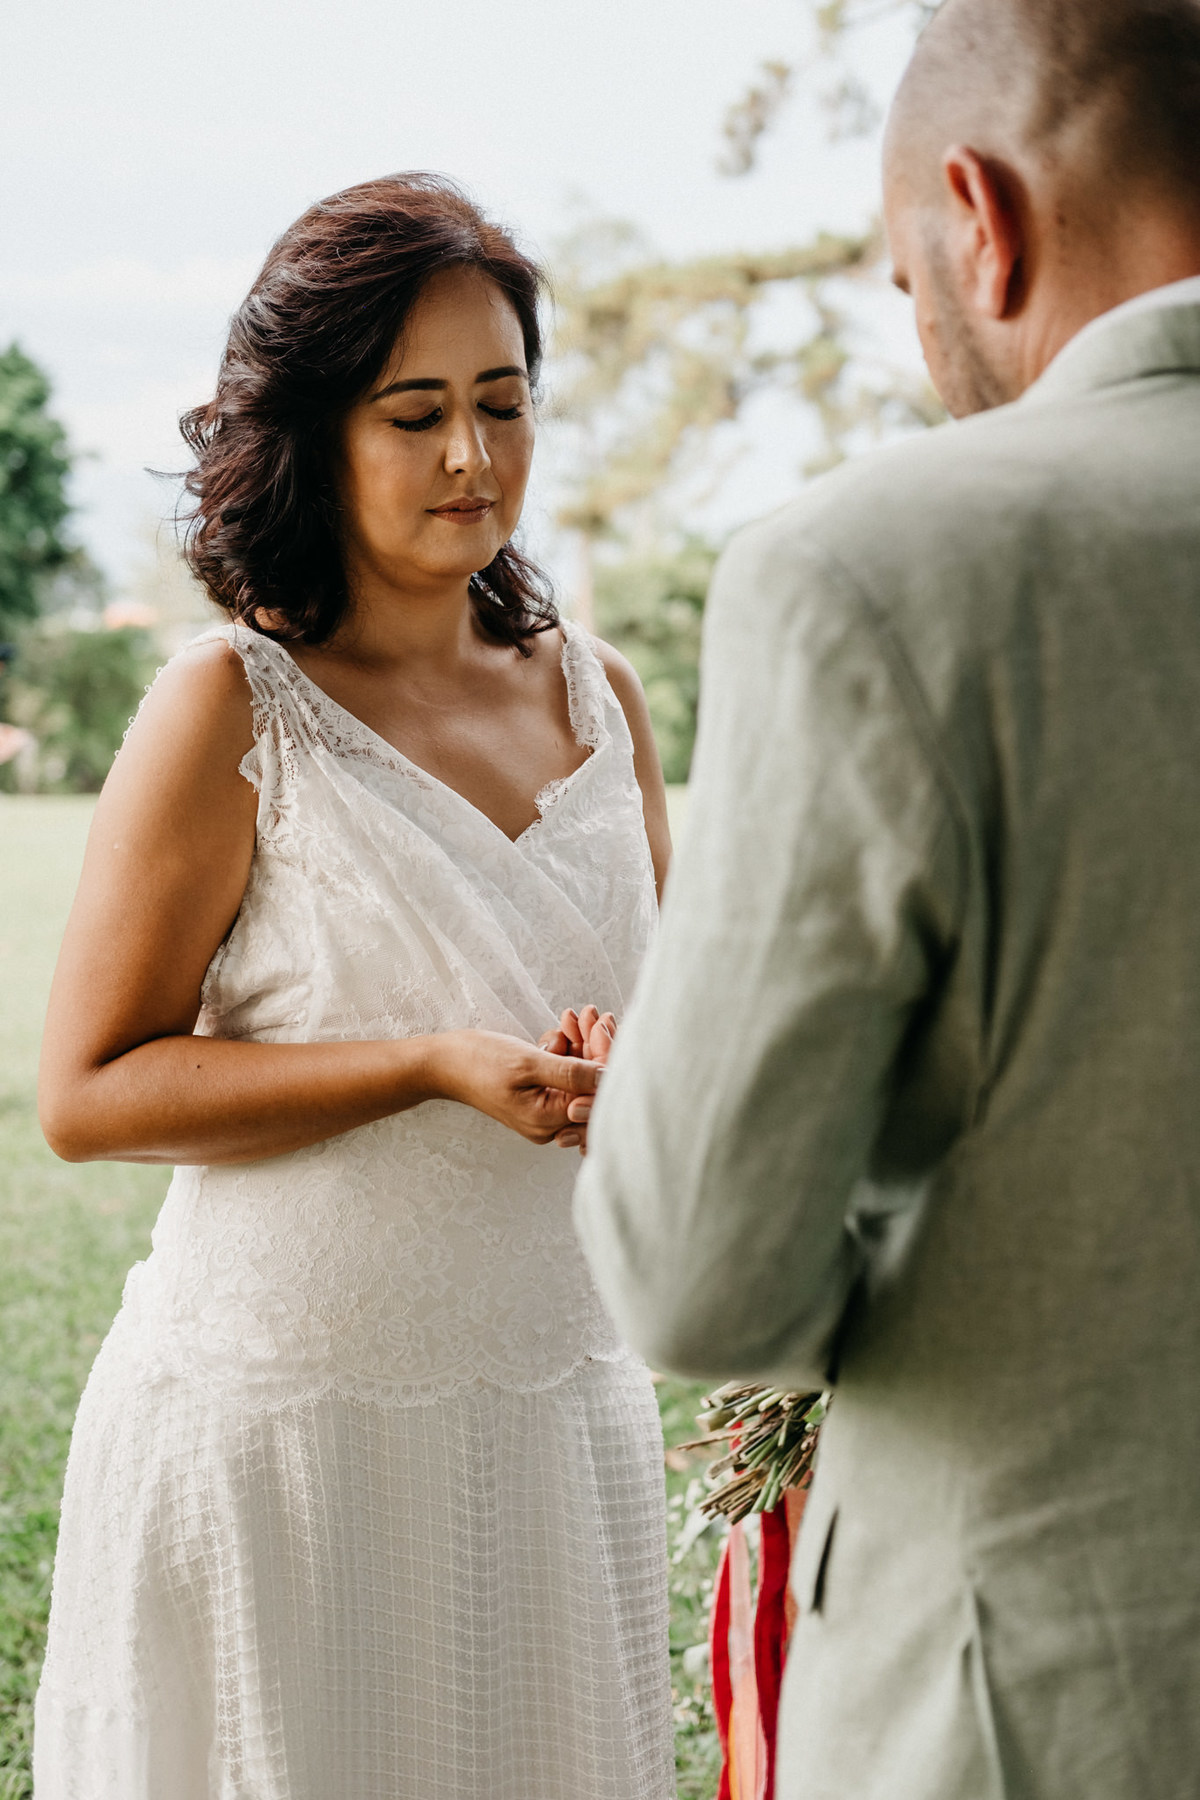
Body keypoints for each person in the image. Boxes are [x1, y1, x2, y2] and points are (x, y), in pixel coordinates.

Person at [576, 1, 1200, 1794]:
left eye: (904, 274)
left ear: (980, 220)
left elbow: (701, 1273)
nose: (918, 327)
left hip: (1056, 1699)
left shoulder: (882, 574)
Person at [34, 174, 675, 1800]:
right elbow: (88, 1093)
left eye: (504, 403)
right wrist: (424, 1065)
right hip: (285, 1440)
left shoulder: (602, 704)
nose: (473, 457)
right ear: (315, 432)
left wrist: (640, 1063)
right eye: (416, 413)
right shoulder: (227, 711)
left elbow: (669, 1017)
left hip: (553, 1419)